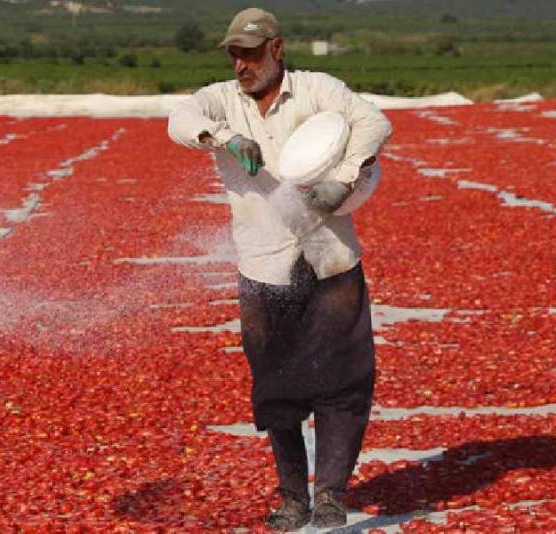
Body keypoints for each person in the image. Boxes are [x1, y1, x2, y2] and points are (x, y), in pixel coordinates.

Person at [167, 7, 392, 531]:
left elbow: (374, 122)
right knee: (277, 386)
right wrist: (223, 139)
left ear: (277, 48)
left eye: (250, 53)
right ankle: (294, 496)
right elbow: (179, 119)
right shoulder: (221, 102)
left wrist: (344, 175)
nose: (242, 65)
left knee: (344, 384)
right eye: (235, 55)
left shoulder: (316, 89)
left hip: (331, 261)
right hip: (263, 266)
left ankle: (331, 494)